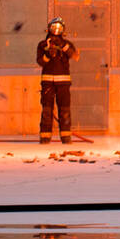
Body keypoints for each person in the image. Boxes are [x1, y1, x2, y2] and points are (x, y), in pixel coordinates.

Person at [35, 17, 78, 145]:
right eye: (54, 28)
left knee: (64, 111)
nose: (56, 31)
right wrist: (48, 55)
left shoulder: (67, 44)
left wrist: (62, 46)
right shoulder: (43, 45)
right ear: (49, 28)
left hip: (63, 83)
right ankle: (45, 138)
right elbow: (40, 62)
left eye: (59, 28)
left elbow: (74, 56)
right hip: (48, 82)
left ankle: (66, 137)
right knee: (47, 111)